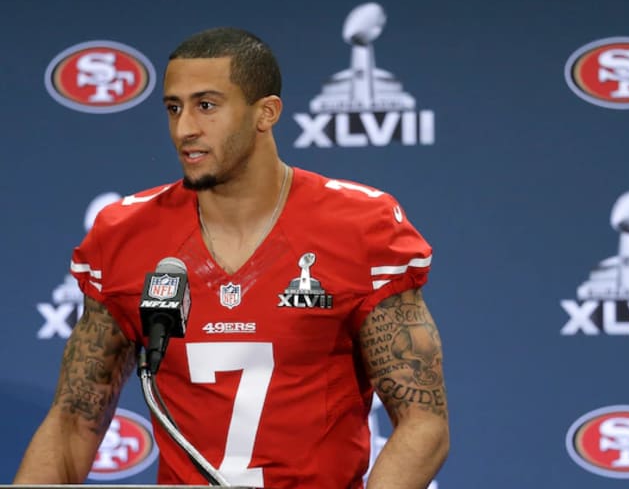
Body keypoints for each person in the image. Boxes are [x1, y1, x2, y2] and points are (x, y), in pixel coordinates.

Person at [14, 27, 449, 488]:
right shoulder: (125, 236)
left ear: (266, 113)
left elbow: (423, 423)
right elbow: (73, 422)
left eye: (206, 106)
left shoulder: (361, 228)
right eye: (174, 108)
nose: (185, 129)